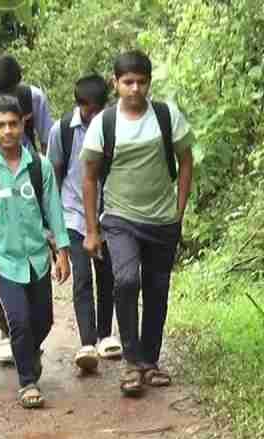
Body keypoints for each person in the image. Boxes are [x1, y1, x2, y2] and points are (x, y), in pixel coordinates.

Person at [82, 50, 195, 397]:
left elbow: (186, 161)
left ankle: (150, 361)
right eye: (127, 82)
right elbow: (88, 177)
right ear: (115, 83)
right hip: (120, 218)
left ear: (149, 83)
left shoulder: (166, 115)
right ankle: (131, 361)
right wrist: (91, 230)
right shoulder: (105, 123)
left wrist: (178, 211)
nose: (134, 89)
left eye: (141, 82)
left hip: (162, 220)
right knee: (127, 280)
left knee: (157, 289)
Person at [0, 95, 71, 409]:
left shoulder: (39, 168)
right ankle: (27, 382)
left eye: (13, 124)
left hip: (37, 258)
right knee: (19, 321)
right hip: (3, 259)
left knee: (43, 321)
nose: (8, 131)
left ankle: (28, 353)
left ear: (23, 123)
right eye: (0, 125)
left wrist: (63, 252)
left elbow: (54, 210)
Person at [0, 54, 55, 368]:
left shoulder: (34, 97)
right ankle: (10, 334)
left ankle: (26, 342)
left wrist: (45, 183)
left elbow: (47, 137)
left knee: (30, 268)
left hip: (27, 182)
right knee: (2, 259)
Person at [47, 73, 122, 373]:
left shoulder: (113, 127)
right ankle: (87, 341)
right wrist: (52, 225)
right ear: (79, 105)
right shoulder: (62, 130)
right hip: (73, 214)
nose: (93, 114)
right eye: (88, 108)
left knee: (107, 276)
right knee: (81, 278)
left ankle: (105, 334)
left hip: (108, 213)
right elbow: (54, 173)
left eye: (97, 108)